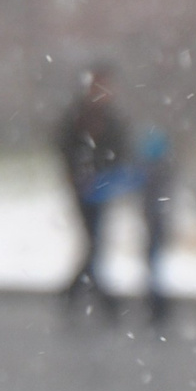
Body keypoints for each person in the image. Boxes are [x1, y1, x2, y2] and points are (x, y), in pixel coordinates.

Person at [55, 64, 131, 310]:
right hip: (83, 185)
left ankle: (83, 291)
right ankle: (94, 294)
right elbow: (65, 144)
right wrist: (77, 173)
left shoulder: (110, 117)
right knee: (93, 241)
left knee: (95, 241)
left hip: (102, 185)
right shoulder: (79, 115)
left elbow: (119, 148)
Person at [135, 123, 175, 324]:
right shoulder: (164, 169)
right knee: (154, 258)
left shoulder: (149, 170)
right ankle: (157, 301)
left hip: (153, 218)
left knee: (153, 258)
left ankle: (156, 301)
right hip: (157, 217)